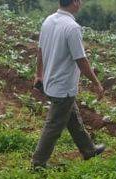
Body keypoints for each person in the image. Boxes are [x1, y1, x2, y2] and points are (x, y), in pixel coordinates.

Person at [31, 0, 106, 170]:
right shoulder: (72, 27)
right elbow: (81, 59)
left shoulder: (48, 21)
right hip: (62, 86)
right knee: (53, 126)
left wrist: (39, 74)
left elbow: (40, 50)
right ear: (74, 2)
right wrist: (96, 83)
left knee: (72, 117)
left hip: (51, 82)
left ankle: (88, 149)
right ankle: (38, 163)